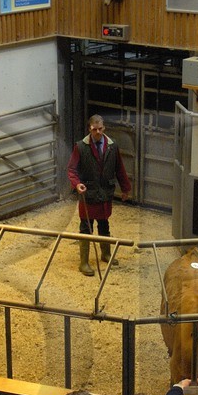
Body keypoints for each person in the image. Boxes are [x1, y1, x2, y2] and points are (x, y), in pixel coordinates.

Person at [67, 115, 132, 277]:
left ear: (104, 128)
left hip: (105, 194)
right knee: (85, 228)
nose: (98, 132)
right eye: (94, 129)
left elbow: (119, 169)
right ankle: (84, 262)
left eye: (100, 129)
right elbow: (71, 170)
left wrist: (125, 189)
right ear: (89, 128)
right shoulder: (80, 147)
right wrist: (77, 184)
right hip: (88, 194)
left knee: (104, 225)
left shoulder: (112, 146)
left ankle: (106, 254)